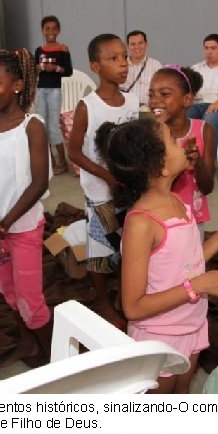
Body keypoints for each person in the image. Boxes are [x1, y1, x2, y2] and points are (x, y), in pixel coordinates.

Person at [95, 117, 218, 393]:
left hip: (191, 327)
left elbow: (185, 265)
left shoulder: (177, 201)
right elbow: (133, 306)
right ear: (162, 166)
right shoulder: (141, 224)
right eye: (172, 140)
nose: (182, 144)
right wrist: (199, 286)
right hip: (160, 337)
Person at [0, 48, 52, 367]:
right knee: (9, 292)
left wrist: (4, 222)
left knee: (31, 298)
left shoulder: (31, 127)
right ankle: (26, 339)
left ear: (18, 86)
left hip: (21, 230)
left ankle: (53, 356)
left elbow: (38, 184)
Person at [68, 33, 139, 328]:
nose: (123, 64)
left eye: (124, 57)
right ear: (95, 67)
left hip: (127, 188)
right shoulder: (88, 106)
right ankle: (103, 301)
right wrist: (107, 176)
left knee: (127, 244)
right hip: (100, 191)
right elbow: (73, 151)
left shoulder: (133, 101)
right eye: (113, 59)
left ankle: (125, 293)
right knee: (100, 248)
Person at [149, 65, 214, 238]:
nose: (154, 100)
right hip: (157, 219)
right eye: (151, 94)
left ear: (187, 99)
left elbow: (207, 187)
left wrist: (197, 162)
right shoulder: (149, 134)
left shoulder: (203, 130)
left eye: (164, 94)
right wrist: (161, 130)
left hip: (192, 220)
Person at [34, 15, 73, 175]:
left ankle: (62, 162)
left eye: (53, 29)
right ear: (42, 31)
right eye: (47, 29)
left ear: (58, 30)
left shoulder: (63, 50)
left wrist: (55, 68)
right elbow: (33, 70)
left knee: (54, 126)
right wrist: (39, 68)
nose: (50, 32)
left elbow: (68, 71)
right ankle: (48, 162)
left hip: (54, 91)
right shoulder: (39, 50)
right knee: (41, 125)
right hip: (40, 90)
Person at [121, 30, 162, 106]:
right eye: (133, 44)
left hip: (148, 110)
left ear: (146, 44)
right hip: (125, 109)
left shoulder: (156, 65)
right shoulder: (120, 65)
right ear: (127, 46)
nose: (137, 47)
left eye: (140, 43)